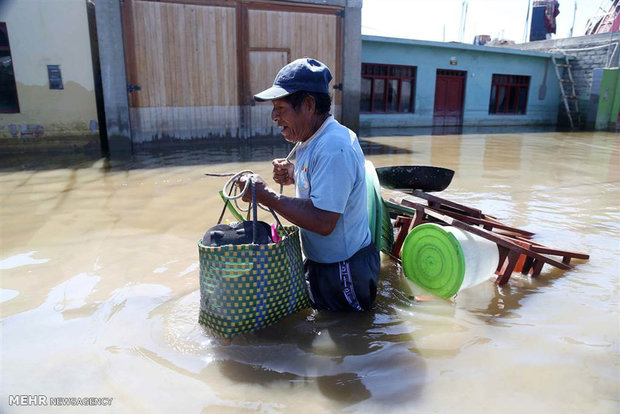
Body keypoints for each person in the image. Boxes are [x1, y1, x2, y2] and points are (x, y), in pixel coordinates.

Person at [238, 57, 380, 312]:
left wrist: (266, 195)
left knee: (349, 339)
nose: (273, 116)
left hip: (344, 268)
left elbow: (324, 221)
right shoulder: (310, 139)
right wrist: (293, 173)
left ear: (308, 105)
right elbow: (323, 184)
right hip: (320, 260)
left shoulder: (334, 147)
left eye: (280, 108)